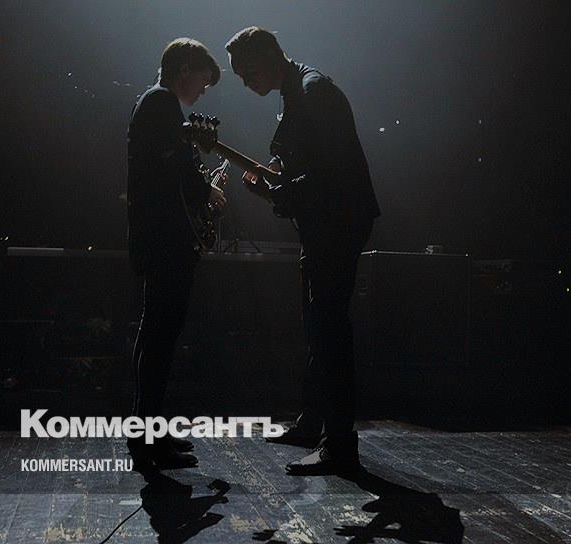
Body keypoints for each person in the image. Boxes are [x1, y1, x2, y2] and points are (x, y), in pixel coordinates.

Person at [225, 27, 380, 475]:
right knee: (317, 323)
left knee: (329, 328)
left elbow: (329, 174)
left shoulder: (313, 92)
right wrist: (279, 178)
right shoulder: (296, 92)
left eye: (246, 71)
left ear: (267, 56)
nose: (244, 81)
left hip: (338, 222)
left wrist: (278, 193)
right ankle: (314, 422)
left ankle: (339, 444)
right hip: (328, 222)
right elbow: (308, 165)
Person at [126, 38, 227, 470]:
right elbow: (174, 171)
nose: (203, 90)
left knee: (157, 335)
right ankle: (147, 439)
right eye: (203, 79)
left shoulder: (158, 105)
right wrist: (208, 191)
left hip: (162, 239)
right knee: (159, 337)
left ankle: (148, 432)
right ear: (185, 68)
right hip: (165, 240)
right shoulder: (161, 103)